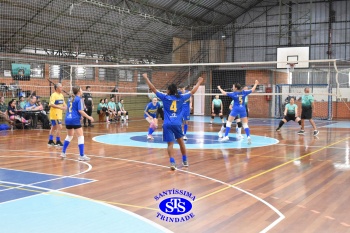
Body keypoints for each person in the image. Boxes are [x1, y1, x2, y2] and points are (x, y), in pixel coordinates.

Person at [142, 73, 203, 170]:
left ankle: (172, 162)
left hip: (167, 124)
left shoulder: (165, 97)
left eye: (167, 89)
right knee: (181, 142)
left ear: (169, 90)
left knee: (170, 144)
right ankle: (185, 160)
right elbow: (192, 92)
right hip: (177, 124)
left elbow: (153, 88)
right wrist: (199, 82)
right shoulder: (181, 97)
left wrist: (146, 78)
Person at [60, 86, 94, 161]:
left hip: (68, 119)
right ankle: (81, 155)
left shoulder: (70, 99)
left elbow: (72, 110)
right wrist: (89, 117)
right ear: (78, 91)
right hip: (74, 120)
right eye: (81, 89)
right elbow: (80, 111)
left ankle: (63, 152)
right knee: (80, 136)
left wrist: (80, 116)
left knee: (69, 136)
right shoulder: (79, 99)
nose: (82, 91)